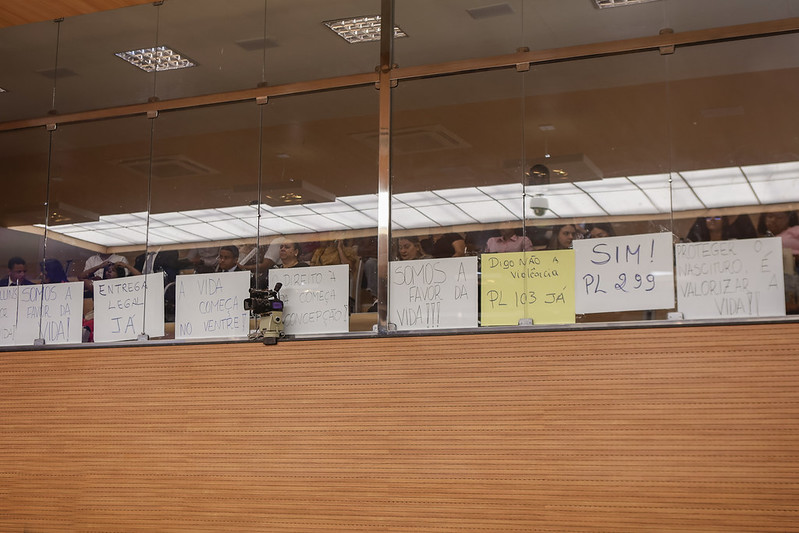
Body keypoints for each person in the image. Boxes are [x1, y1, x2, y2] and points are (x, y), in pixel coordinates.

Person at [686, 215, 756, 242]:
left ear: (724, 221)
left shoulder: (734, 241)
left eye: (717, 217)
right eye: (708, 217)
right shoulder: (701, 244)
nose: (712, 219)